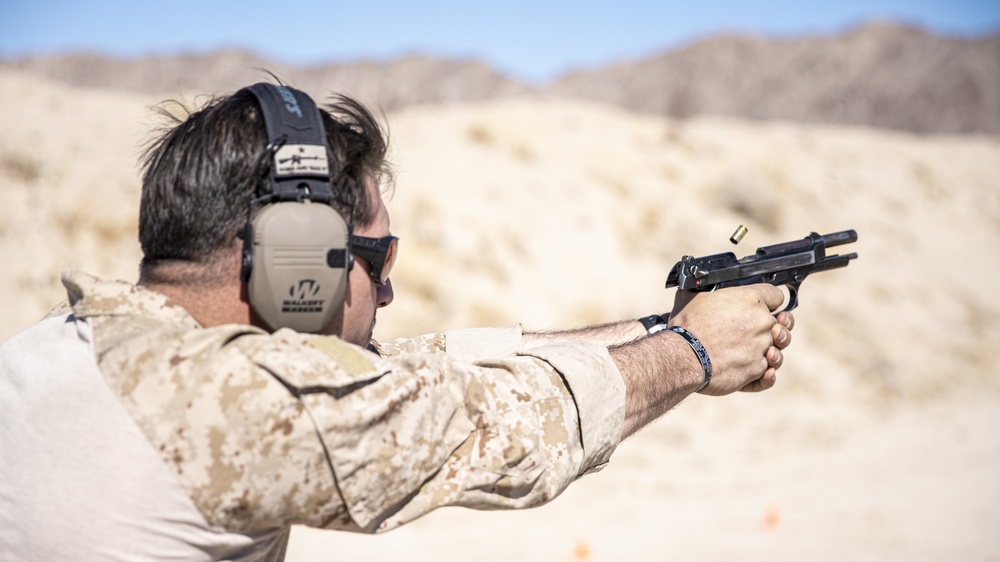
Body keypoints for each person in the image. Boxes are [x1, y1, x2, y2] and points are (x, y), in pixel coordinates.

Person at [0, 83, 794, 562]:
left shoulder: (67, 347)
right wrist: (691, 352)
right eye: (376, 262)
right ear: (298, 257)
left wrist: (663, 322)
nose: (387, 294)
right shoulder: (241, 403)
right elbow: (504, 429)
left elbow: (410, 374)